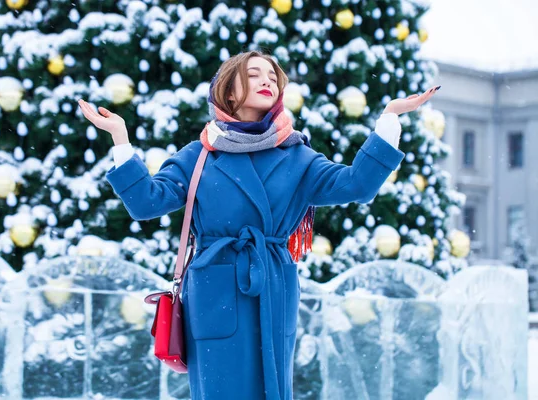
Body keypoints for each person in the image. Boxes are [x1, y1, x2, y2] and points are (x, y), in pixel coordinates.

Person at [78, 50, 439, 400]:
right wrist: (120, 139)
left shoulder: (298, 155)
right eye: (253, 75)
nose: (267, 81)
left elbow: (357, 185)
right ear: (229, 91)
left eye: (272, 77)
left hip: (273, 284)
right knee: (221, 389)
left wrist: (389, 119)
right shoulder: (200, 153)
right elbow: (146, 203)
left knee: (271, 386)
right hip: (213, 288)